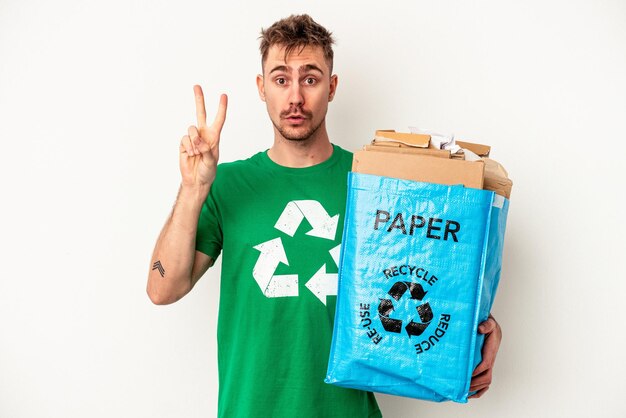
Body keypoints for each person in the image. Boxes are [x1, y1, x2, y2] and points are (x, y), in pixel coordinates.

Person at [146, 14, 502, 418]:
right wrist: (193, 188)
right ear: (262, 88)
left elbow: (428, 277)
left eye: (310, 79)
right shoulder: (224, 184)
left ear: (332, 87)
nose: (295, 97)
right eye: (281, 79)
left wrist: (479, 331)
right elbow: (163, 288)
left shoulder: (376, 184)